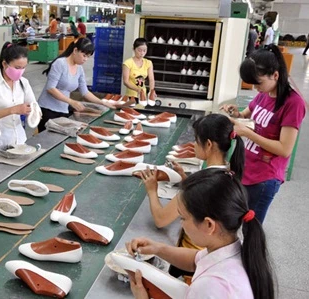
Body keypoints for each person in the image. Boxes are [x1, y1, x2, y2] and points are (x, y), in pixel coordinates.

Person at [126, 169, 275, 299]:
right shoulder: (234, 249)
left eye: (183, 218)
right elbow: (194, 260)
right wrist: (158, 248)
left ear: (209, 225)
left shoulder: (211, 286)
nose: (181, 223)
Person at [138, 113, 245, 281]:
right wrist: (185, 181)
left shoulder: (204, 184)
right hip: (206, 253)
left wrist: (152, 190)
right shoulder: (227, 174)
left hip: (193, 258)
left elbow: (160, 220)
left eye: (196, 140)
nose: (194, 144)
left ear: (208, 144)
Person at [220, 44, 306, 223]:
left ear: (275, 75)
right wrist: (235, 113)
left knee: (252, 231)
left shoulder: (293, 103)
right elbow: (247, 114)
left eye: (258, 83)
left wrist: (248, 133)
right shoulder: (265, 93)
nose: (255, 88)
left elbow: (284, 149)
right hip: (247, 168)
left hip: (264, 177)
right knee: (236, 222)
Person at [37, 38, 115, 132]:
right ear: (75, 50)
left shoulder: (79, 69)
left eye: (88, 57)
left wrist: (102, 102)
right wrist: (71, 102)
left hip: (63, 110)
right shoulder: (60, 64)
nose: (85, 59)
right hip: (47, 110)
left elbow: (85, 92)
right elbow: (50, 88)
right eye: (84, 55)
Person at [0, 42, 36, 159]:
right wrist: (13, 110)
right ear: (5, 64)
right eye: (17, 68)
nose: (20, 71)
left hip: (19, 140)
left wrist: (34, 113)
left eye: (23, 68)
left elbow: (33, 105)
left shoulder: (23, 82)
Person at [122, 38, 156, 103]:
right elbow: (125, 82)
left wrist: (151, 91)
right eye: (139, 50)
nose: (142, 53)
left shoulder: (148, 63)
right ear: (134, 49)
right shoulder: (128, 63)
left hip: (142, 95)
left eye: (144, 50)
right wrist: (138, 90)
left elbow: (151, 79)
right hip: (131, 95)